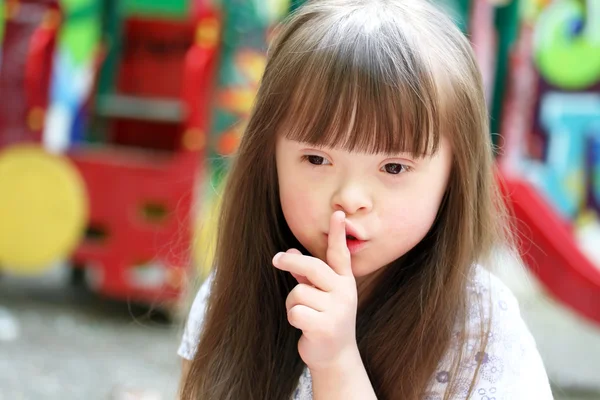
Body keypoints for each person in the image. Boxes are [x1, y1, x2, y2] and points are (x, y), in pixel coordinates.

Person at [177, 0, 553, 398]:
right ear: (269, 158)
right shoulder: (233, 293)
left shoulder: (481, 326)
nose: (349, 198)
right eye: (317, 158)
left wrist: (336, 362)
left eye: (393, 168)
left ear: (454, 175)